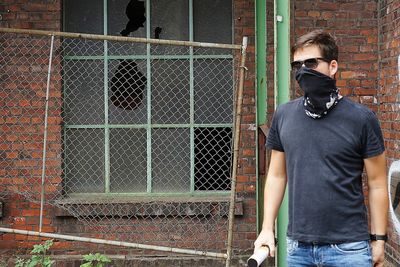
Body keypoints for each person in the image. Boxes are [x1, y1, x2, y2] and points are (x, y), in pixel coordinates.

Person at [254, 30, 388, 267]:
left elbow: (377, 183)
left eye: (311, 62)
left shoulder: (362, 119)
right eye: (297, 65)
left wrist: (379, 240)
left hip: (349, 249)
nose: (302, 70)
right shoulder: (284, 116)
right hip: (299, 248)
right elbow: (276, 175)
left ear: (332, 66)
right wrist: (267, 228)